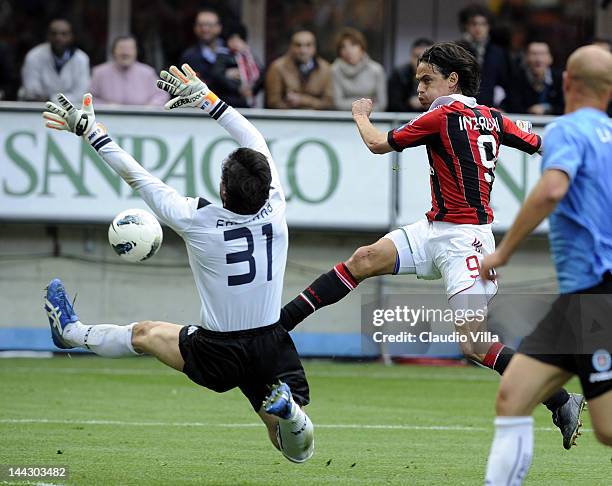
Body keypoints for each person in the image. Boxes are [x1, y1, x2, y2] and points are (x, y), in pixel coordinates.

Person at [278, 42, 583, 448]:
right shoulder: (492, 117)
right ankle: (279, 327)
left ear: (452, 79)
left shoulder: (441, 114)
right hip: (433, 228)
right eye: (418, 79)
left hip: (466, 242)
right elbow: (541, 144)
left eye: (427, 79)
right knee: (364, 259)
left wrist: (359, 114)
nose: (419, 87)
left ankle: (561, 400)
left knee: (473, 344)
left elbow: (376, 143)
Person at [41, 64, 314, 464]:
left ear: (223, 189)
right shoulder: (275, 204)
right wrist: (209, 99)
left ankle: (71, 332)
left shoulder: (197, 219)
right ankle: (289, 414)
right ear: (265, 181)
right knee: (291, 450)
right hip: (270, 343)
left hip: (218, 349)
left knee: (144, 335)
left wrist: (90, 131)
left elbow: (138, 177)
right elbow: (253, 136)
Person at [482, 45, 612, 485]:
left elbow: (552, 190)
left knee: (608, 427)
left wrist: (503, 251)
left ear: (567, 82)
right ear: (609, 91)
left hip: (597, 296)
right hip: (578, 300)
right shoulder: (610, 134)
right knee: (513, 397)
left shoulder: (565, 130)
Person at [19, 18, 89, 102]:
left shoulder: (81, 58)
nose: (58, 38)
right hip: (36, 108)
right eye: (54, 33)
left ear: (71, 37)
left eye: (64, 34)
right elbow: (32, 91)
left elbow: (80, 94)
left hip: (71, 110)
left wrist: (51, 99)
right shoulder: (34, 55)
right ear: (47, 36)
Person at [89, 35, 169, 106]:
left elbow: (162, 95)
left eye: (129, 48)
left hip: (142, 119)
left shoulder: (147, 72)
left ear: (136, 51)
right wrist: (106, 106)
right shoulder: (100, 72)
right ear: (113, 51)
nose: (125, 52)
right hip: (109, 118)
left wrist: (150, 106)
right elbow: (89, 98)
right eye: (121, 48)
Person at [456, 3, 510, 107]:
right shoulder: (457, 50)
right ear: (466, 26)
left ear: (489, 26)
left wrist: (503, 106)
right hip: (462, 108)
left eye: (483, 24)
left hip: (490, 110)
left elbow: (506, 84)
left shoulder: (498, 53)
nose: (478, 28)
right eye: (473, 24)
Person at [265, 30, 333, 110]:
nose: (303, 50)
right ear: (291, 47)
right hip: (287, 119)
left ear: (314, 48)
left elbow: (329, 103)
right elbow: (273, 102)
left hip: (317, 120)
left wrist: (303, 100)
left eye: (308, 45)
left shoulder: (325, 68)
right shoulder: (277, 67)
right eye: (298, 45)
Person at [331, 27, 386, 111]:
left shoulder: (376, 70)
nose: (348, 50)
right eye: (343, 47)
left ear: (362, 48)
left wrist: (350, 102)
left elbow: (382, 104)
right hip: (344, 119)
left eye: (353, 45)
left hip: (372, 118)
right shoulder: (335, 69)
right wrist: (366, 102)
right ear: (339, 52)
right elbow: (338, 103)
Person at [502, 41, 564, 115]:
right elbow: (512, 107)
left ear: (550, 58)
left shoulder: (560, 79)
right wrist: (530, 111)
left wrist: (547, 109)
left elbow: (564, 107)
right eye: (534, 54)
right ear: (526, 58)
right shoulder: (515, 79)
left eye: (542, 54)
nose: (538, 60)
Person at [211, 23, 263, 108]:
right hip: (228, 101)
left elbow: (260, 74)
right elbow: (217, 75)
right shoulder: (223, 56)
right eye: (232, 39)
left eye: (238, 39)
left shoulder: (249, 57)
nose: (235, 43)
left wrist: (252, 90)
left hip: (246, 101)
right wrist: (237, 88)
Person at [179, 8, 229, 92]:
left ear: (219, 27)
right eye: (200, 25)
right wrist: (224, 75)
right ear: (195, 28)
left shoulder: (231, 51)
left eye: (209, 25)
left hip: (234, 104)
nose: (205, 29)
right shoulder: (189, 56)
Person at [387, 38, 433, 112]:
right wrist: (409, 103)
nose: (421, 61)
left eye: (427, 57)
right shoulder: (399, 74)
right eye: (417, 56)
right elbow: (393, 105)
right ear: (411, 57)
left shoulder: (441, 75)